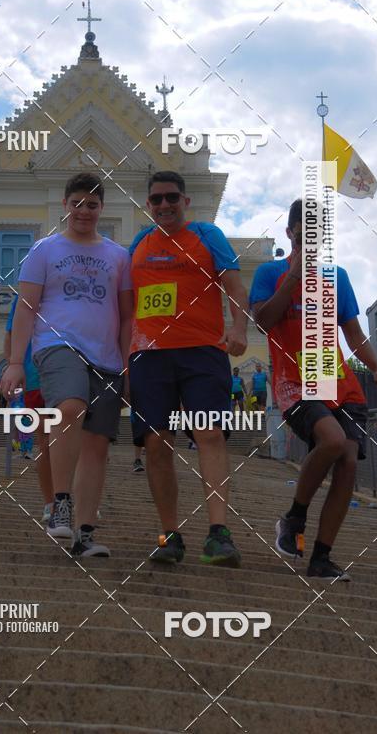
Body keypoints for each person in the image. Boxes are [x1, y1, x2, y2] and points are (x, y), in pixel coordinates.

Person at [250, 198, 377, 580]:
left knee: (347, 462)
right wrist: (295, 276)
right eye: (303, 233)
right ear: (290, 232)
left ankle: (321, 557)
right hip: (294, 380)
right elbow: (263, 322)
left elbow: (353, 333)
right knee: (330, 442)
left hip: (335, 376)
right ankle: (294, 519)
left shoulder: (338, 277)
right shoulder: (269, 272)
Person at [1, 172, 132, 558]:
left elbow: (126, 317)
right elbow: (26, 307)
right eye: (76, 203)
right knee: (70, 408)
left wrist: (127, 367)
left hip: (106, 356)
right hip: (56, 344)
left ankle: (85, 534)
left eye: (91, 204)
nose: (83, 211)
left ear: (101, 208)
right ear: (65, 205)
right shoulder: (44, 250)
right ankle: (60, 500)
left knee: (97, 445)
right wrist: (14, 363)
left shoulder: (118, 256)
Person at [129, 171, 248, 567]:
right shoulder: (139, 244)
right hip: (150, 355)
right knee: (156, 443)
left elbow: (235, 288)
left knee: (209, 433)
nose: (164, 205)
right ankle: (170, 535)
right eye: (157, 200)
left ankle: (219, 534)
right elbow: (125, 304)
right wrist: (123, 360)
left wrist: (239, 327)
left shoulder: (207, 234)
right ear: (148, 205)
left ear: (186, 201)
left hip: (203, 352)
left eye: (172, 198)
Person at [4, 294, 54, 520]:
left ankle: (57, 502)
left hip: (49, 374)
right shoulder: (21, 297)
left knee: (55, 442)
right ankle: (52, 502)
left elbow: (9, 336)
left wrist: (13, 364)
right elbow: (11, 335)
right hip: (37, 376)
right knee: (47, 442)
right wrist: (14, 366)